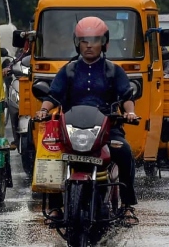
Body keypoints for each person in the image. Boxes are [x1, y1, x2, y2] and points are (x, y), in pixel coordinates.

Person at [33, 17, 140, 222]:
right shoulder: (68, 70)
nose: (89, 45)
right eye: (84, 40)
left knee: (124, 152)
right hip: (72, 129)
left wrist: (130, 113)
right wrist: (43, 110)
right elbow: (53, 96)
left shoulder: (113, 70)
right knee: (51, 153)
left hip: (108, 129)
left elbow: (127, 97)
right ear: (77, 43)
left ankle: (127, 206)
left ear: (104, 43)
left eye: (94, 40)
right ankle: (55, 207)